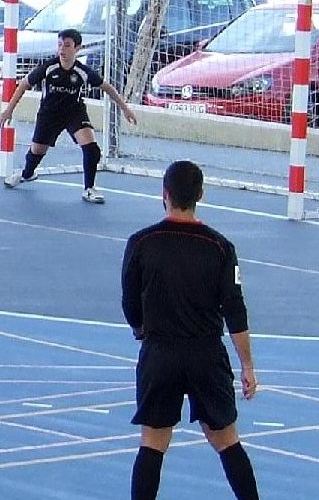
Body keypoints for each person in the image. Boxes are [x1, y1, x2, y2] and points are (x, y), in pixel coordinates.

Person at [121, 160, 260, 500]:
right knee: (226, 439)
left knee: (153, 442)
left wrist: (143, 330)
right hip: (206, 354)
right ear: (200, 194)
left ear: (164, 194)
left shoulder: (142, 243)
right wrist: (247, 366)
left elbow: (129, 303)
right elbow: (235, 312)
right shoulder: (220, 247)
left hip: (159, 353)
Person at [0, 27, 138, 204]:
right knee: (38, 150)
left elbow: (107, 87)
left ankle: (89, 189)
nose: (62, 49)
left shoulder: (83, 72)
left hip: (74, 112)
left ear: (77, 48)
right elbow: (24, 84)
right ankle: (26, 173)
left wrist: (125, 108)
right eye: (60, 45)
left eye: (67, 45)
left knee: (91, 148)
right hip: (49, 114)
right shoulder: (48, 67)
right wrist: (9, 110)